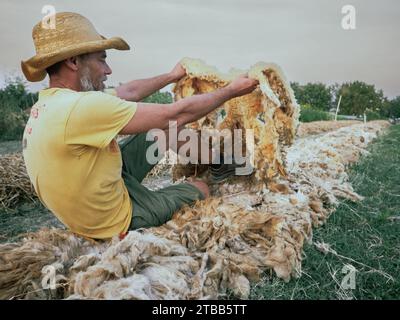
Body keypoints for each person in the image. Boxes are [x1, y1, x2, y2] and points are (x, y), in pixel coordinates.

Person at [21, 12, 258, 239]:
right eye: (102, 60)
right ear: (73, 62)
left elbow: (129, 91)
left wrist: (172, 76)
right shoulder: (80, 108)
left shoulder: (55, 103)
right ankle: (209, 179)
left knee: (163, 130)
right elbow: (175, 113)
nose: (108, 70)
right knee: (200, 188)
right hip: (113, 220)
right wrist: (231, 91)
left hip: (95, 193)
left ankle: (219, 164)